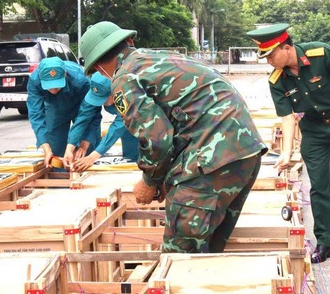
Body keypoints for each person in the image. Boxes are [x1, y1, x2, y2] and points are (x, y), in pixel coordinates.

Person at [79, 21, 267, 253]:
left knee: (180, 259)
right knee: (208, 252)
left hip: (211, 159)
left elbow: (157, 139)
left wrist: (149, 182)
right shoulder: (162, 59)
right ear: (129, 41)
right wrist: (167, 178)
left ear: (98, 67)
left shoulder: (124, 79)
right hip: (245, 150)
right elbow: (183, 124)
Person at [246, 23, 330, 264]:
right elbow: (287, 117)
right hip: (314, 129)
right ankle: (325, 242)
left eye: (271, 55)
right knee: (318, 186)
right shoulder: (277, 80)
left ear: (286, 48)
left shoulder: (322, 53)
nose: (269, 61)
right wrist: (285, 153)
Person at [26, 56, 100, 168]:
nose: (53, 90)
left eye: (57, 85)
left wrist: (83, 145)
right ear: (41, 79)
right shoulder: (34, 81)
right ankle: (60, 180)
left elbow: (90, 115)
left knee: (85, 149)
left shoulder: (81, 80)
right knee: (55, 148)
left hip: (80, 107)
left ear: (65, 75)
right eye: (49, 86)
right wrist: (46, 149)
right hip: (55, 108)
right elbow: (36, 116)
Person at [69, 72, 140, 172]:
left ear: (114, 92)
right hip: (127, 121)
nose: (101, 103)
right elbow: (83, 117)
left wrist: (94, 155)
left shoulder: (127, 94)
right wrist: (70, 145)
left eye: (104, 99)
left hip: (144, 121)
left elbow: (118, 126)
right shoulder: (97, 89)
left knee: (138, 153)